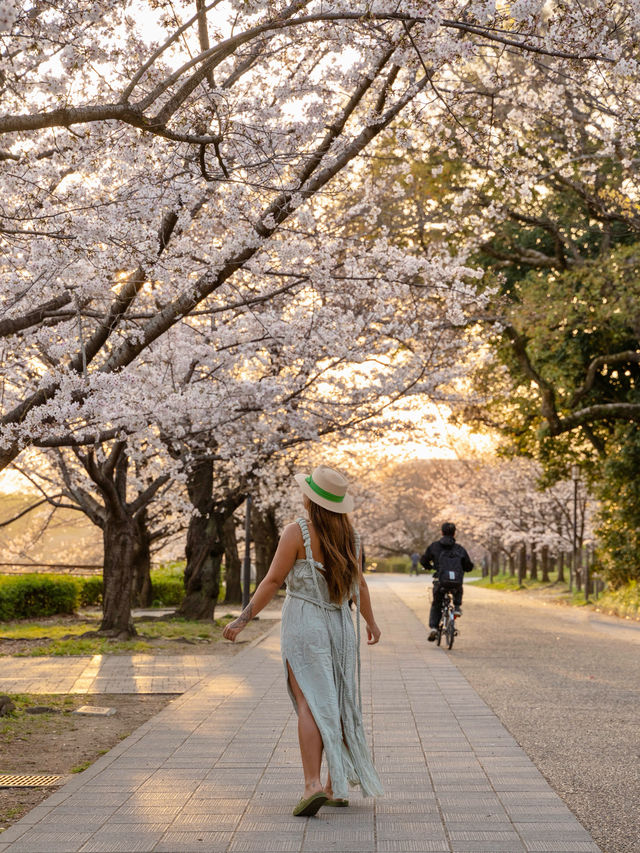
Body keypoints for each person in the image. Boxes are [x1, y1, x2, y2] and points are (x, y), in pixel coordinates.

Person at [223, 465, 383, 816]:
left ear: (310, 499)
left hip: (305, 624)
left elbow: (271, 581)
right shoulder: (351, 537)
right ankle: (334, 786)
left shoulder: (297, 532)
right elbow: (361, 586)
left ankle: (313, 785)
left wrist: (243, 618)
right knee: (339, 700)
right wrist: (371, 622)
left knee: (310, 701)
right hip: (341, 625)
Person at [420, 521, 473, 642]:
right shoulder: (459, 549)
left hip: (440, 581)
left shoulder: (434, 546)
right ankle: (457, 607)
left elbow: (424, 560)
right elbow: (468, 566)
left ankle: (434, 627)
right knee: (458, 588)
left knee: (437, 603)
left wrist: (430, 567)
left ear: (441, 532)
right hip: (455, 583)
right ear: (454, 534)